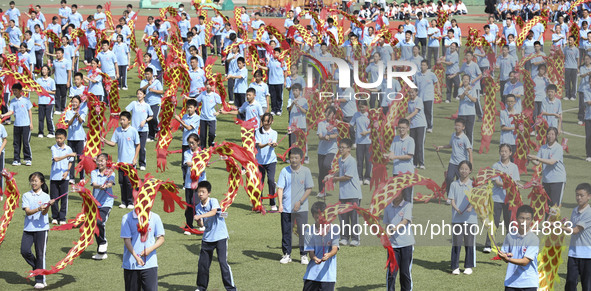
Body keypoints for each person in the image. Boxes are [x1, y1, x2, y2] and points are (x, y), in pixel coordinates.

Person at [194, 181, 237, 291]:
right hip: (207, 238)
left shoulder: (213, 201)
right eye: (199, 192)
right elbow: (202, 224)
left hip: (220, 237)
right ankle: (201, 287)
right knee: (203, 265)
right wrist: (199, 221)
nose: (200, 194)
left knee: (223, 263)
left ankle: (231, 288)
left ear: (209, 193)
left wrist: (200, 215)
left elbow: (213, 212)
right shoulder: (198, 206)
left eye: (203, 192)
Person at [277, 147, 313, 264]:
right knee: (286, 231)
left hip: (302, 208)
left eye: (296, 158)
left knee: (302, 232)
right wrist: (280, 204)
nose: (294, 160)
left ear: (301, 159)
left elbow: (309, 189)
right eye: (292, 158)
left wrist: (300, 202)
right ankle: (287, 254)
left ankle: (303, 255)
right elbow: (280, 188)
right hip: (287, 208)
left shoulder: (306, 171)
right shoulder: (284, 171)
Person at [483, 144, 520, 253]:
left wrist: (514, 186)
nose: (503, 153)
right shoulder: (495, 166)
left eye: (506, 151)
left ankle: (510, 245)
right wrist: (509, 184)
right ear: (499, 152)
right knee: (494, 222)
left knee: (510, 223)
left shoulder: (514, 167)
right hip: (497, 199)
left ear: (510, 153)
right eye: (502, 151)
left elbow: (516, 182)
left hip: (509, 199)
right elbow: (497, 182)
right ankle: (488, 245)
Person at [326, 138, 362, 246]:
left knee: (354, 218)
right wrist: (331, 175)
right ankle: (345, 237)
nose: (341, 149)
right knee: (343, 217)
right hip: (343, 194)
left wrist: (334, 179)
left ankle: (355, 239)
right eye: (340, 147)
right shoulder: (341, 160)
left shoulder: (351, 161)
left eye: (343, 147)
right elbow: (340, 171)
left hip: (353, 194)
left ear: (349, 149)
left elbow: (347, 177)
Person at [21, 172, 54, 290]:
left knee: (40, 254)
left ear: (42, 183)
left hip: (42, 229)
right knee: (24, 251)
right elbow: (28, 212)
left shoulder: (46, 196)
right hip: (28, 228)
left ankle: (40, 280)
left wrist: (48, 206)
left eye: (36, 181)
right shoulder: (26, 195)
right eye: (32, 180)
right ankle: (37, 269)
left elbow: (44, 213)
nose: (33, 183)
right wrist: (39, 208)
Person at [120, 204, 165, 291]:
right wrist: (136, 257)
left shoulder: (155, 217)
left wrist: (150, 249)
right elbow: (127, 240)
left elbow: (161, 238)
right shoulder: (126, 218)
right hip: (131, 265)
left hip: (150, 264)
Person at [101, 111, 140, 209]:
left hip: (130, 162)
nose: (121, 121)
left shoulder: (133, 131)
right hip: (120, 162)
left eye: (124, 120)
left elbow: (138, 145)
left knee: (129, 182)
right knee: (121, 182)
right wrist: (105, 141)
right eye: (121, 119)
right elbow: (113, 143)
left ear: (129, 121)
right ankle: (123, 201)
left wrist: (135, 158)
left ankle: (130, 202)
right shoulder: (117, 130)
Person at [498, 205, 539, 291]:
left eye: (527, 219)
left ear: (531, 220)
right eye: (522, 218)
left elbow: (525, 262)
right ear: (516, 218)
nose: (524, 222)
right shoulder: (509, 236)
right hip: (511, 282)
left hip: (529, 283)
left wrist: (508, 259)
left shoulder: (534, 239)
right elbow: (504, 255)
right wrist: (505, 256)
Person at [302, 201, 339, 291]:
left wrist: (328, 255)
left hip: (328, 276)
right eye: (317, 217)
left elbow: (335, 248)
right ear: (313, 216)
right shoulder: (309, 231)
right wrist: (315, 258)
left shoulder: (334, 229)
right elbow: (311, 253)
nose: (320, 219)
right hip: (312, 275)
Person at [435, 118, 473, 202]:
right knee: (449, 178)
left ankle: (461, 197)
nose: (457, 127)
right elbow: (450, 145)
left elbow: (469, 151)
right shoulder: (453, 135)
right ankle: (449, 196)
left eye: (459, 126)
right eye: (456, 125)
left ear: (463, 127)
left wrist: (470, 164)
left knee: (461, 181)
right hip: (452, 162)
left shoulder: (464, 138)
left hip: (462, 164)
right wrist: (441, 147)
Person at [449, 160, 476, 275]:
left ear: (470, 170)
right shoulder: (454, 184)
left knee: (469, 242)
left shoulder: (473, 184)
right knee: (457, 242)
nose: (464, 171)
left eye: (466, 169)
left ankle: (468, 266)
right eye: (461, 168)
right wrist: (456, 209)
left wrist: (470, 207)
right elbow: (452, 200)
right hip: (457, 218)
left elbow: (475, 199)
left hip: (470, 219)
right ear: (458, 170)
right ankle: (455, 266)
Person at [527, 127, 566, 207]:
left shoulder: (558, 148)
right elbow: (537, 163)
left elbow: (551, 162)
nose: (550, 136)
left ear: (556, 136)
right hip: (546, 180)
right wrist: (531, 158)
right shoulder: (543, 147)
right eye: (549, 134)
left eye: (552, 134)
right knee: (546, 206)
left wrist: (537, 158)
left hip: (557, 180)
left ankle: (555, 220)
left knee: (554, 207)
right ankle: (547, 220)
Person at [383, 191, 414, 290]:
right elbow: (387, 224)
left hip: (406, 244)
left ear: (402, 193)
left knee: (405, 273)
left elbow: (405, 221)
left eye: (398, 193)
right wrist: (386, 233)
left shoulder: (407, 205)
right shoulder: (388, 207)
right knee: (391, 274)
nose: (396, 195)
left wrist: (392, 230)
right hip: (393, 246)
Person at [563, 183, 591, 291]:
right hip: (573, 253)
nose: (578, 197)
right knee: (570, 283)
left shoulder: (589, 213)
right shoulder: (574, 211)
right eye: (577, 195)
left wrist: (558, 227)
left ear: (589, 196)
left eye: (581, 195)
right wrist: (564, 223)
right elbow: (571, 227)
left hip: (587, 256)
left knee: (587, 285)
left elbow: (575, 231)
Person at [90, 153, 115, 260]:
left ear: (107, 162)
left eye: (102, 160)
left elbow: (110, 183)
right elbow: (94, 184)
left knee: (100, 222)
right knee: (95, 224)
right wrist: (101, 186)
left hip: (106, 203)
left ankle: (103, 242)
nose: (100, 163)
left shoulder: (111, 172)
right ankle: (101, 252)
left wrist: (107, 185)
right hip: (95, 203)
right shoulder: (94, 172)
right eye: (98, 160)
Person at [1, 83, 33, 166]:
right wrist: (4, 115)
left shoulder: (26, 100)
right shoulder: (13, 101)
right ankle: (16, 159)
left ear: (20, 91)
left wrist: (31, 123)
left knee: (26, 142)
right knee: (16, 143)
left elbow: (29, 111)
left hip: (26, 124)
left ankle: (28, 158)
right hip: (16, 125)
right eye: (13, 90)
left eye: (16, 90)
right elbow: (11, 111)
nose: (14, 92)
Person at [385, 119, 415, 202]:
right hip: (396, 172)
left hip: (407, 172)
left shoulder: (410, 140)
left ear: (408, 128)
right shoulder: (395, 138)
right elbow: (392, 152)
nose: (401, 130)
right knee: (396, 196)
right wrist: (387, 155)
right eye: (399, 128)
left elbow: (409, 156)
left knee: (407, 196)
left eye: (403, 128)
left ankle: (407, 214)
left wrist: (395, 157)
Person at [182, 133, 207, 235]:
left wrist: (205, 162)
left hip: (201, 184)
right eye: (189, 143)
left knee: (200, 205)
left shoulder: (203, 153)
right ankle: (188, 226)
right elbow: (188, 163)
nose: (191, 145)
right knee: (189, 205)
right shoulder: (187, 153)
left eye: (193, 143)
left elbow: (205, 163)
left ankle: (202, 224)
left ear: (198, 142)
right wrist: (200, 162)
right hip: (189, 184)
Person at [49, 128, 75, 225]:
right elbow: (56, 159)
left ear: (65, 138)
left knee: (64, 198)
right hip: (54, 177)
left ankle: (62, 217)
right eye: (57, 138)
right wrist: (67, 155)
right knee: (54, 198)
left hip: (64, 178)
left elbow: (71, 161)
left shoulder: (69, 148)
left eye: (60, 138)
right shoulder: (54, 148)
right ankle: (55, 217)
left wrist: (67, 171)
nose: (58, 140)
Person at [125, 89, 153, 171]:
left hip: (144, 129)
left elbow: (151, 116)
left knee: (142, 147)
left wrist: (145, 120)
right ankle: (133, 162)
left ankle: (142, 163)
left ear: (144, 95)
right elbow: (126, 111)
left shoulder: (147, 105)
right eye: (138, 94)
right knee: (133, 147)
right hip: (134, 129)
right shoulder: (134, 103)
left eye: (140, 94)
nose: (139, 95)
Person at [255, 113, 278, 211]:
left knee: (271, 180)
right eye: (264, 121)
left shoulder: (274, 133)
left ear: (271, 122)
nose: (266, 123)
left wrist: (274, 144)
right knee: (260, 182)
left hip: (271, 161)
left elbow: (273, 144)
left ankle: (272, 203)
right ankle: (259, 203)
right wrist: (267, 144)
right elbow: (259, 145)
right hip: (260, 161)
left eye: (268, 121)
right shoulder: (257, 131)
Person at [316, 106, 338, 198]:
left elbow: (337, 134)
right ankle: (322, 191)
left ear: (334, 115)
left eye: (330, 113)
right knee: (321, 172)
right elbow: (320, 136)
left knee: (326, 165)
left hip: (332, 149)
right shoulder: (321, 124)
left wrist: (330, 136)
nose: (328, 115)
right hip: (321, 150)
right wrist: (324, 137)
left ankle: (332, 176)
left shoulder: (336, 124)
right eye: (327, 113)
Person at [349, 100, 371, 184]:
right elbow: (351, 124)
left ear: (366, 106)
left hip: (369, 141)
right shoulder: (356, 115)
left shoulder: (370, 115)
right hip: (359, 142)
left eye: (363, 107)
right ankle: (360, 178)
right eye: (360, 107)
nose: (361, 109)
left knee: (368, 161)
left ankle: (367, 177)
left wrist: (367, 132)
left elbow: (375, 127)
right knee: (360, 160)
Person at [65, 95, 86, 183]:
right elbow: (69, 123)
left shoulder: (82, 112)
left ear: (79, 103)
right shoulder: (68, 112)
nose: (74, 103)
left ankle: (82, 178)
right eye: (73, 102)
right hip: (70, 138)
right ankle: (72, 177)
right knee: (71, 158)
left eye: (76, 102)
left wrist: (78, 115)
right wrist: (74, 116)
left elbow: (81, 122)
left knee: (80, 158)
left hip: (80, 138)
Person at [139, 68, 164, 141]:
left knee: (154, 117)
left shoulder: (156, 82)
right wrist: (147, 85)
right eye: (145, 74)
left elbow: (161, 91)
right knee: (149, 119)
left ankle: (158, 129)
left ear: (152, 74)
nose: (146, 76)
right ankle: (151, 136)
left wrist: (153, 90)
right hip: (147, 104)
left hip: (156, 102)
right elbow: (141, 90)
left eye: (148, 74)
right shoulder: (143, 82)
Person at [196, 82, 221, 148]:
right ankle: (203, 149)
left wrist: (219, 112)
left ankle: (211, 144)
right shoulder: (202, 94)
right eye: (207, 84)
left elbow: (223, 104)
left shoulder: (215, 95)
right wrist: (187, 98)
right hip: (203, 118)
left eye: (210, 85)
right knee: (202, 136)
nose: (208, 86)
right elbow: (196, 100)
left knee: (212, 133)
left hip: (212, 118)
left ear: (213, 86)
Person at [407, 88, 427, 169]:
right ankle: (414, 163)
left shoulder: (419, 100)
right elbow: (410, 113)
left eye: (412, 92)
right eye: (410, 92)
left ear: (416, 92)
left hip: (421, 124)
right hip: (412, 125)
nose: (411, 94)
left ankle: (421, 163)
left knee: (419, 144)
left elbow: (415, 112)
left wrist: (406, 118)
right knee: (413, 144)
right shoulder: (409, 102)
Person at [35, 65, 56, 138]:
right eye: (42, 69)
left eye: (45, 69)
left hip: (49, 102)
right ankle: (40, 132)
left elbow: (54, 92)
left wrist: (45, 91)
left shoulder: (51, 80)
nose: (43, 71)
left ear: (48, 71)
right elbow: (35, 88)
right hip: (41, 101)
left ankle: (51, 132)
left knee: (48, 118)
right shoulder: (39, 80)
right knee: (41, 118)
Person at [457, 74, 478, 145]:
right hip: (462, 113)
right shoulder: (460, 89)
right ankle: (461, 146)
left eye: (467, 79)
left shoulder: (473, 89)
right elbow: (461, 97)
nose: (465, 80)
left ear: (469, 81)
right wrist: (466, 91)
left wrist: (467, 93)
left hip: (470, 113)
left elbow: (474, 100)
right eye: (464, 79)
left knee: (469, 131)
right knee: (461, 131)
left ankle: (469, 147)